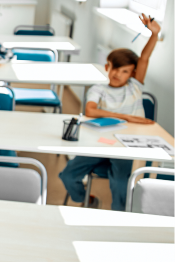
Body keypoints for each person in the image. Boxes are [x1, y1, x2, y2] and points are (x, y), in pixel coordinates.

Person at [59, 14, 161, 211]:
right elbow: (90, 110)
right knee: (68, 175)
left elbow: (145, 57)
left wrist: (154, 34)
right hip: (99, 144)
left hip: (124, 147)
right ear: (108, 67)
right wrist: (127, 117)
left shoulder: (135, 86)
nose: (117, 74)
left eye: (125, 71)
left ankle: (119, 215)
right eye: (115, 69)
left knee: (120, 184)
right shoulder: (98, 89)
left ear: (132, 73)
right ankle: (87, 199)